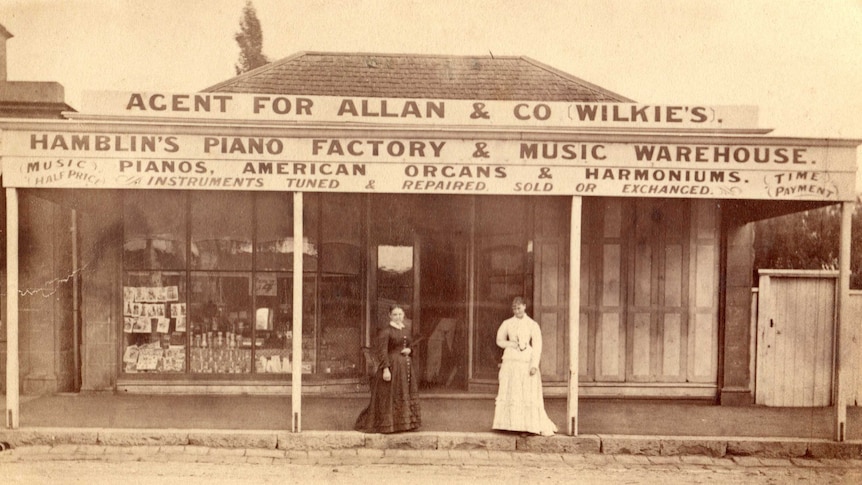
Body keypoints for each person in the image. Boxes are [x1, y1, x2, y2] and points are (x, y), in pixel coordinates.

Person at [492, 296, 557, 436]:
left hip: (526, 362)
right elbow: (499, 340)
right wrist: (511, 344)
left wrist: (534, 365)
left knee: (525, 392)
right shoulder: (507, 323)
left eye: (519, 307)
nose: (516, 310)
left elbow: (538, 345)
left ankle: (526, 426)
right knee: (511, 390)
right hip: (511, 362)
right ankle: (507, 424)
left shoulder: (532, 325)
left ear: (525, 306)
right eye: (514, 308)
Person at [355, 304, 421, 433]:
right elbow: (382, 351)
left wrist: (410, 350)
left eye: (400, 314)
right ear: (389, 315)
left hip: (405, 367)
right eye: (395, 314)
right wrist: (386, 369)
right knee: (390, 395)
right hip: (393, 367)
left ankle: (404, 424)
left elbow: (411, 345)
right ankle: (389, 425)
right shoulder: (386, 331)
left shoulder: (406, 329)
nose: (398, 317)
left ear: (404, 315)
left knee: (403, 393)